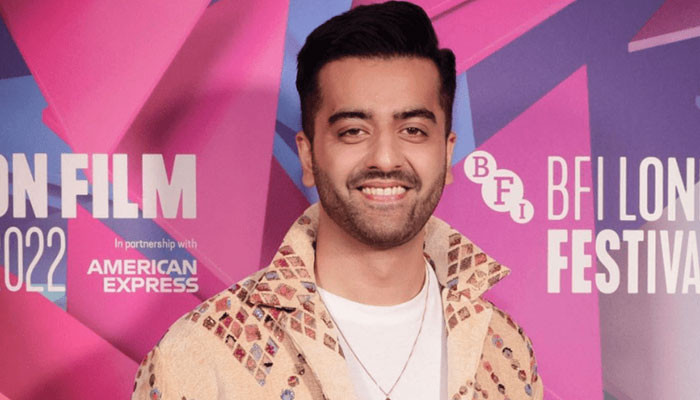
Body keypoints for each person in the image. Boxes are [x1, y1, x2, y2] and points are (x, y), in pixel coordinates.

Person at [132, 2, 542, 399]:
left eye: (413, 130)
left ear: (447, 154)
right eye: (353, 131)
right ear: (308, 156)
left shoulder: (504, 348)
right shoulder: (200, 357)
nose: (385, 158)